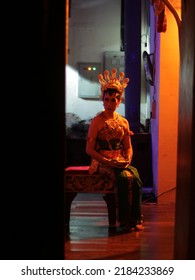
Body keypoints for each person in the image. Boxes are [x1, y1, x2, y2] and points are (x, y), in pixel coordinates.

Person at [86, 68, 144, 232]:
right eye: (107, 100)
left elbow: (128, 146)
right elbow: (89, 149)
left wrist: (128, 159)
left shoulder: (123, 122)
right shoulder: (97, 122)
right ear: (102, 100)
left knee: (137, 178)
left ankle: (135, 219)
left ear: (119, 102)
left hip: (120, 160)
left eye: (114, 100)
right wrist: (107, 161)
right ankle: (123, 220)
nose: (110, 104)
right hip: (102, 161)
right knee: (124, 178)